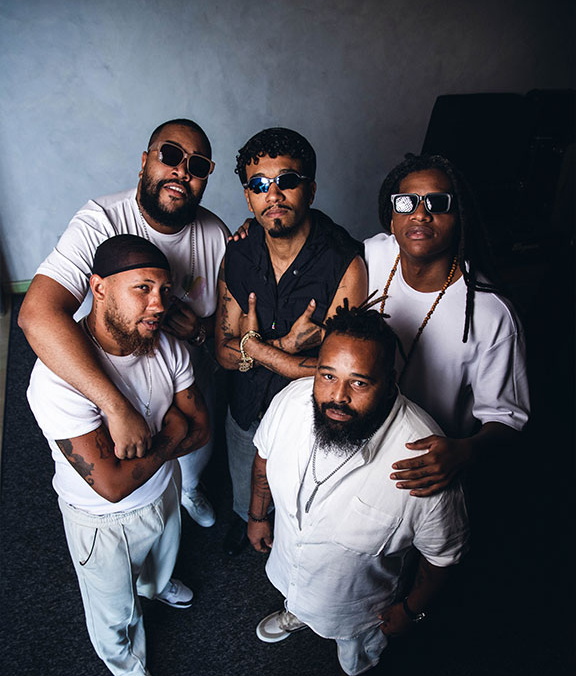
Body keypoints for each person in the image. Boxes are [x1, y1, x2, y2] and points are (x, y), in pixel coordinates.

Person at [247, 304, 468, 676]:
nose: (337, 397)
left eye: (359, 383)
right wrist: (257, 515)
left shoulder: (422, 461)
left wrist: (411, 610)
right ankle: (297, 612)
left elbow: (443, 555)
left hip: (358, 608)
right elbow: (263, 458)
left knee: (356, 656)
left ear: (390, 383)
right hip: (289, 564)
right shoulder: (292, 402)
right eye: (327, 375)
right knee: (295, 594)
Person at [27, 236, 210, 676]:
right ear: (99, 288)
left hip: (163, 491)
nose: (159, 305)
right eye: (143, 288)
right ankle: (128, 667)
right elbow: (109, 485)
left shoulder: (166, 347)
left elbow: (202, 429)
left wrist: (162, 446)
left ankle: (156, 586)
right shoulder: (55, 379)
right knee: (114, 612)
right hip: (101, 522)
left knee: (161, 563)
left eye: (164, 290)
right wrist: (172, 433)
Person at [19, 118, 229, 527]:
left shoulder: (215, 234)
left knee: (192, 457)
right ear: (145, 161)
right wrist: (113, 406)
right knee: (133, 458)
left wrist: (198, 332)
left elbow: (225, 326)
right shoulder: (101, 220)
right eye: (171, 155)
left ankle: (188, 490)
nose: (182, 171)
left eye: (197, 165)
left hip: (185, 365)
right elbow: (36, 315)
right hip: (119, 369)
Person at [215, 127, 368, 554]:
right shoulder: (239, 253)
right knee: (244, 479)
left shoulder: (345, 263)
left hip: (308, 417)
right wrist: (284, 348)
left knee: (302, 506)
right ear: (248, 198)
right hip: (246, 404)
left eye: (287, 180)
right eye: (259, 185)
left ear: (311, 190)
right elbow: (222, 352)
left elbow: (341, 376)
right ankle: (245, 517)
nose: (273, 194)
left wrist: (254, 347)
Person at [363, 153, 530, 496]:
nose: (420, 214)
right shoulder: (370, 256)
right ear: (391, 219)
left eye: (438, 203)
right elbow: (309, 237)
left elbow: (507, 419)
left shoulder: (491, 314)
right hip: (358, 443)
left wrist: (464, 451)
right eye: (406, 202)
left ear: (459, 219)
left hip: (419, 468)